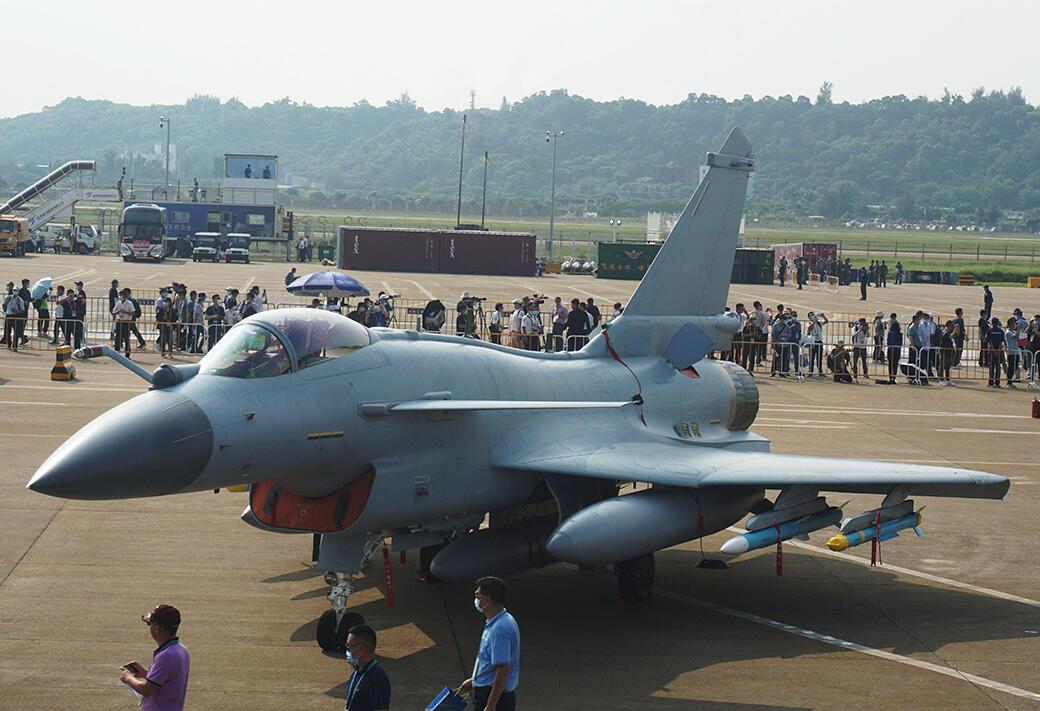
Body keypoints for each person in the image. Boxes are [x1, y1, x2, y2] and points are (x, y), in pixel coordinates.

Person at [460, 576, 519, 711]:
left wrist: (491, 705)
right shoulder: (497, 621)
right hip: (487, 690)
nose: (475, 600)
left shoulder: (500, 629)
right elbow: (488, 661)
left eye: (477, 595)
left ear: (486, 600)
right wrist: (475, 680)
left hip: (494, 697)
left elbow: (503, 669)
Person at [120, 604, 190, 711]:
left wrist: (128, 677)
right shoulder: (180, 649)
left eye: (149, 624)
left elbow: (147, 690)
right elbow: (166, 680)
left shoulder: (165, 656)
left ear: (157, 629)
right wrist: (145, 673)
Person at [343, 624, 390, 711]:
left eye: (349, 647)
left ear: (361, 649)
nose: (347, 651)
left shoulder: (377, 679)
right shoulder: (357, 672)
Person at [112, 289, 136, 358]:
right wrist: (118, 311)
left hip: (126, 322)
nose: (120, 297)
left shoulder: (129, 303)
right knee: (117, 337)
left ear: (125, 296)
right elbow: (113, 312)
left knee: (126, 338)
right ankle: (117, 352)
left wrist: (126, 312)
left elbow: (133, 313)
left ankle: (127, 354)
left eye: (122, 295)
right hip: (119, 321)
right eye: (120, 295)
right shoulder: (118, 303)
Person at [986, 317, 1005, 388]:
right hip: (999, 350)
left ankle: (991, 382)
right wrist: (998, 350)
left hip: (992, 351)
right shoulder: (1001, 331)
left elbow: (990, 342)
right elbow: (1001, 342)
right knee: (998, 367)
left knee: (991, 366)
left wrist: (994, 350)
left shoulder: (989, 331)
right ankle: (997, 382)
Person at [1005, 316, 1021, 389]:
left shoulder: (1014, 331)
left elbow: (1018, 337)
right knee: (1011, 367)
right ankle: (1009, 381)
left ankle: (1010, 380)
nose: (1015, 324)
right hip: (1011, 352)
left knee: (1015, 366)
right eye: (1014, 323)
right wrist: (1018, 329)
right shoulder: (1008, 332)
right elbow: (1015, 336)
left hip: (1016, 351)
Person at [886, 314, 902, 384]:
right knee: (895, 364)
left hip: (890, 349)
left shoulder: (890, 333)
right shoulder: (900, 334)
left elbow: (888, 342)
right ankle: (894, 377)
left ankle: (890, 377)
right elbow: (901, 343)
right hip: (897, 350)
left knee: (890, 364)